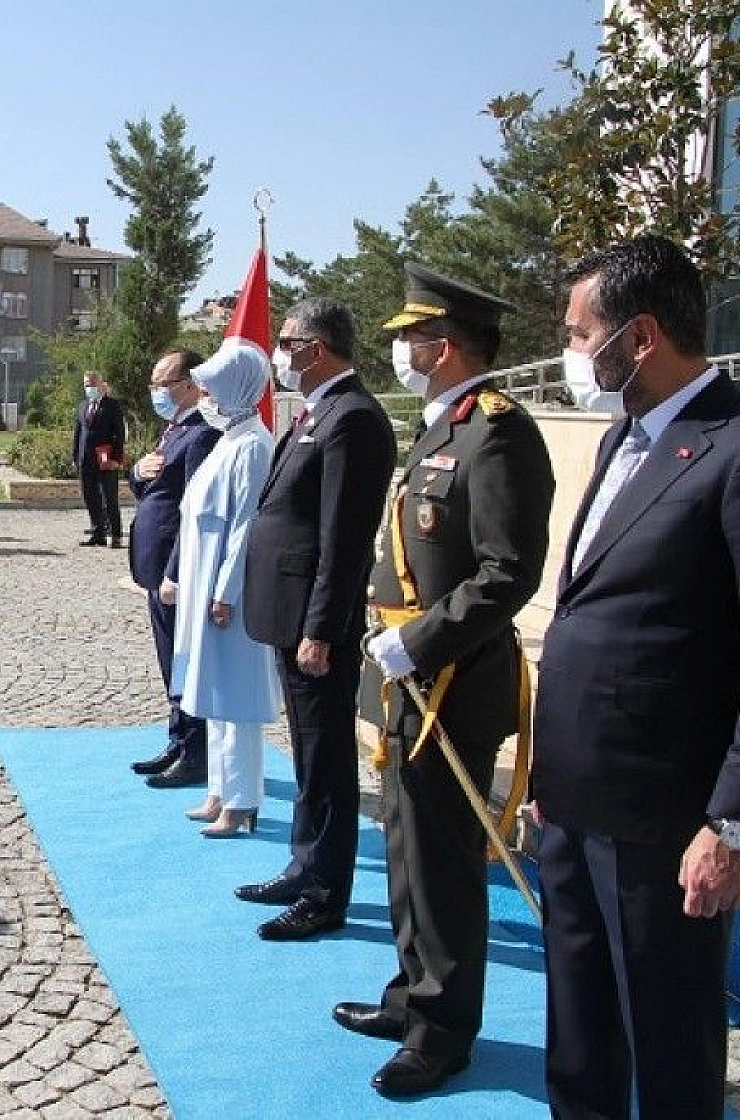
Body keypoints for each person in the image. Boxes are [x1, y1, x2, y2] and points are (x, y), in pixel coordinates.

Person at [531, 235, 740, 1120]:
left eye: (582, 333)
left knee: (667, 1044)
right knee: (580, 1031)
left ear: (642, 336)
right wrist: (552, 774)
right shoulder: (626, 437)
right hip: (578, 802)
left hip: (668, 819)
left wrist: (733, 823)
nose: (573, 351)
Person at [339, 263, 554, 1097]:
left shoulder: (496, 430)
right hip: (405, 675)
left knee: (445, 863)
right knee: (403, 847)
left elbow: (509, 571)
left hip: (451, 680)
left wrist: (421, 641)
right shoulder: (442, 426)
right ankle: (409, 992)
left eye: (409, 337)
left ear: (448, 345)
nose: (398, 348)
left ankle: (442, 1031)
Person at [236, 299, 396, 941]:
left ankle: (327, 893)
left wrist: (322, 629)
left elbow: (344, 539)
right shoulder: (320, 410)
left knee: (328, 757)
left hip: (314, 623)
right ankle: (305, 864)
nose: (281, 352)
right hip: (291, 612)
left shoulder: (353, 418)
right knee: (307, 750)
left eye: (289, 341)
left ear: (318, 347)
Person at [164, 338, 282, 838]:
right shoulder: (228, 440)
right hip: (202, 578)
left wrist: (224, 592)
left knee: (237, 697)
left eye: (212, 388)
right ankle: (219, 789)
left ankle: (242, 800)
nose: (205, 397)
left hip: (224, 591)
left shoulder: (254, 445)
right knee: (213, 692)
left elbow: (245, 526)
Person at [126, 348, 219, 789]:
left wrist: (177, 571)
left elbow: (193, 510)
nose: (156, 390)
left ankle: (196, 751)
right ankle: (178, 739)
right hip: (153, 566)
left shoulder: (201, 435)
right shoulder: (173, 429)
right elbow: (150, 483)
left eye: (163, 382)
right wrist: (137, 471)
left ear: (190, 384)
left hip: (172, 569)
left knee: (184, 661)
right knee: (169, 660)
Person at [73, 371, 126, 547]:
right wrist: (76, 457)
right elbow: (78, 433)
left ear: (101, 385)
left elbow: (119, 433)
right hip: (86, 459)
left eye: (92, 384)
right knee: (90, 497)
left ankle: (115, 534)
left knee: (109, 497)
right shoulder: (82, 406)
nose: (90, 388)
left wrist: (117, 458)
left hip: (105, 458)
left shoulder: (112, 405)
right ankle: (98, 532)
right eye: (87, 384)